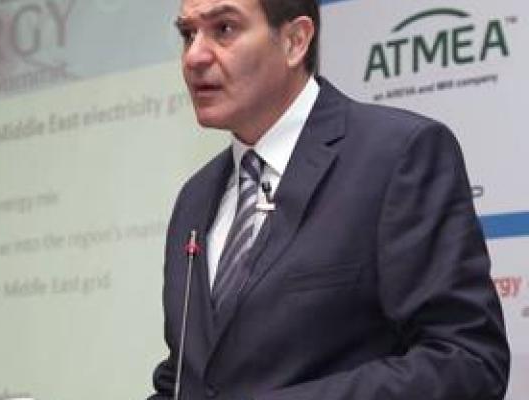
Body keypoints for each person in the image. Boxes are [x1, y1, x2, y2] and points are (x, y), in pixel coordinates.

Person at [148, 0, 510, 399]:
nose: (194, 56)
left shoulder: (397, 156)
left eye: (224, 29)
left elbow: (467, 362)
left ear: (295, 41)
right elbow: (187, 378)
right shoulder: (195, 197)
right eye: (188, 34)